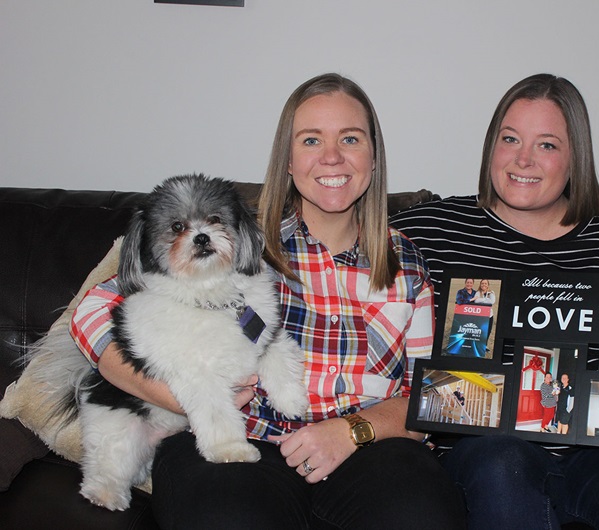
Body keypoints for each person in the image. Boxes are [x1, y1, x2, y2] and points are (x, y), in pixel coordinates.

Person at [69, 73, 465, 529]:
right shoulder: (235, 237)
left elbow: (431, 399)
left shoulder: (408, 264)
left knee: (421, 514)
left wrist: (351, 432)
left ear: (373, 159)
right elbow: (95, 313)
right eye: (312, 140)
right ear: (289, 162)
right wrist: (179, 395)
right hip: (240, 441)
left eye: (350, 138)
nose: (332, 157)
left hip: (366, 452)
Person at [391, 73, 599, 529]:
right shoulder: (429, 232)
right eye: (510, 138)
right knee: (501, 468)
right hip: (487, 448)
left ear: (574, 158)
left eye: (547, 145)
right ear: (491, 147)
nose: (523, 159)